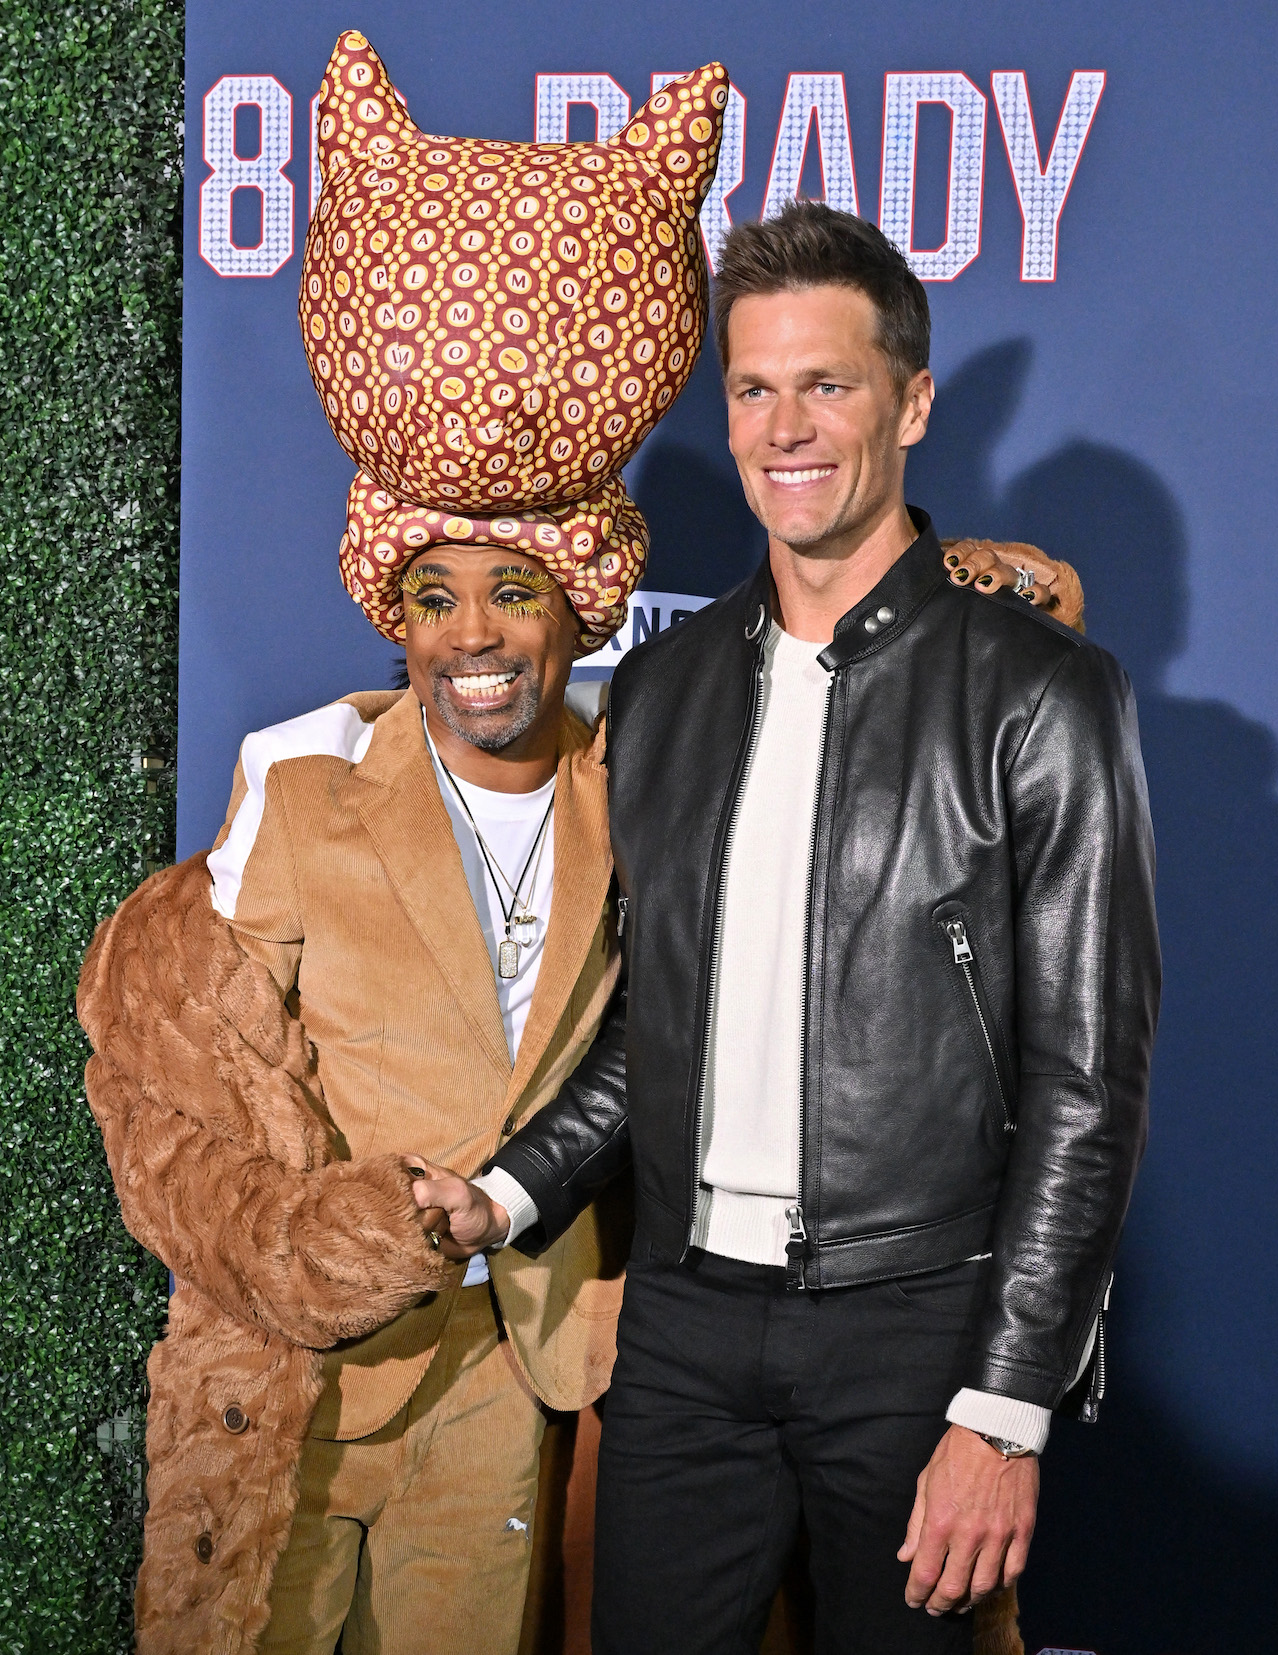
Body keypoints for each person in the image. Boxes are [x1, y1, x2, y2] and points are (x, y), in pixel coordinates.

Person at [423, 201, 1160, 1655]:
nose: (785, 426)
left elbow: (1088, 1085)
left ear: (912, 401)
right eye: (753, 388)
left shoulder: (1041, 696)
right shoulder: (667, 690)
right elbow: (655, 1027)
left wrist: (1005, 1407)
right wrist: (504, 1196)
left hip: (916, 1331)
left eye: (827, 382)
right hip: (688, 1327)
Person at [75, 35, 731, 1655]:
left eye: (517, 593)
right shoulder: (303, 784)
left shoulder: (639, 780)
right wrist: (312, 1242)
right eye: (436, 599)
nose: (476, 638)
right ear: (396, 611)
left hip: (523, 1380)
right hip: (309, 1384)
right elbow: (168, 1079)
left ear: (582, 603)